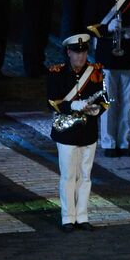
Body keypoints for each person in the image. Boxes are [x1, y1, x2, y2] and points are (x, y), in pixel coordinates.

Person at [47, 34, 107, 232]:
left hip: (88, 130)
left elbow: (104, 98)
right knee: (68, 176)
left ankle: (82, 216)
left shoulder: (96, 71)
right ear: (69, 53)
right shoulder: (57, 73)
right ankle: (67, 218)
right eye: (77, 53)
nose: (81, 57)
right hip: (67, 132)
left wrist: (97, 109)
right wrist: (72, 104)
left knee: (85, 175)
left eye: (84, 52)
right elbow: (52, 101)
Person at [85, 0, 130, 157]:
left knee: (126, 102)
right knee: (109, 101)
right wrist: (107, 28)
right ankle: (109, 141)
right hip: (107, 57)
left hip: (129, 56)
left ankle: (123, 141)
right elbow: (89, 25)